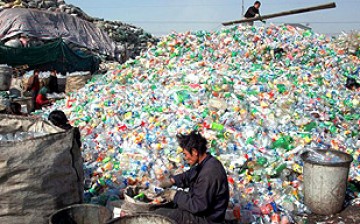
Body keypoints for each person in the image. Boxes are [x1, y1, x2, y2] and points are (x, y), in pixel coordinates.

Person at [155, 131, 229, 224]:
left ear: (194, 152)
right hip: (202, 211)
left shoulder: (209, 173)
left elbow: (197, 206)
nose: (185, 158)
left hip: (208, 219)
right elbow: (189, 175)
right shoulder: (206, 162)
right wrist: (171, 181)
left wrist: (174, 195)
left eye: (186, 154)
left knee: (160, 215)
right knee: (165, 207)